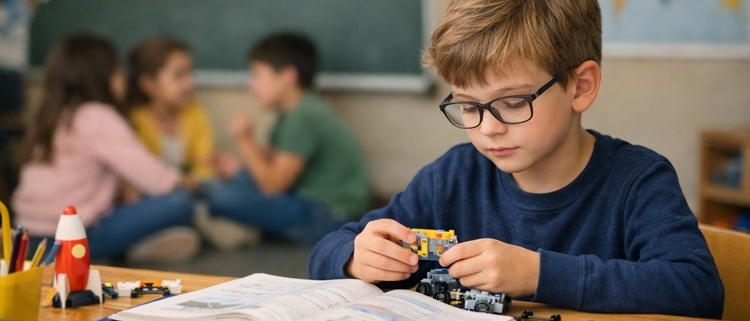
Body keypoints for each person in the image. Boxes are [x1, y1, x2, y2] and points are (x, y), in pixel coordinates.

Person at [308, 0, 724, 318]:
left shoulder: (638, 181)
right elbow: (328, 248)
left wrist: (537, 273)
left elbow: (698, 289)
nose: (488, 128)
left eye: (511, 102)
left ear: (580, 87)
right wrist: (354, 256)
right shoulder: (453, 176)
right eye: (468, 106)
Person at [11, 34, 200, 263]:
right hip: (71, 241)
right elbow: (159, 181)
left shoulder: (53, 115)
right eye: (117, 71)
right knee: (180, 203)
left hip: (26, 238)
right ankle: (132, 248)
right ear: (101, 78)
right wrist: (189, 183)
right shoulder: (98, 116)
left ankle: (136, 245)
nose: (122, 79)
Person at [205, 33, 371, 244]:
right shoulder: (294, 112)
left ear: (287, 76)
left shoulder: (304, 116)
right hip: (309, 202)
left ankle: (227, 222)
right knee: (241, 179)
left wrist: (244, 139)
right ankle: (239, 225)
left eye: (257, 75)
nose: (251, 85)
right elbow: (271, 165)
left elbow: (273, 186)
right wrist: (238, 168)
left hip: (330, 216)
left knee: (219, 194)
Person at [126, 35, 259, 250]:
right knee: (178, 203)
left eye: (190, 73)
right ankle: (184, 228)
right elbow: (142, 176)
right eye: (179, 76)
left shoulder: (193, 112)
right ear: (148, 84)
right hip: (156, 194)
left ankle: (184, 227)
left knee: (232, 185)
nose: (190, 83)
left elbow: (203, 163)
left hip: (191, 187)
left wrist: (195, 182)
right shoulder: (135, 120)